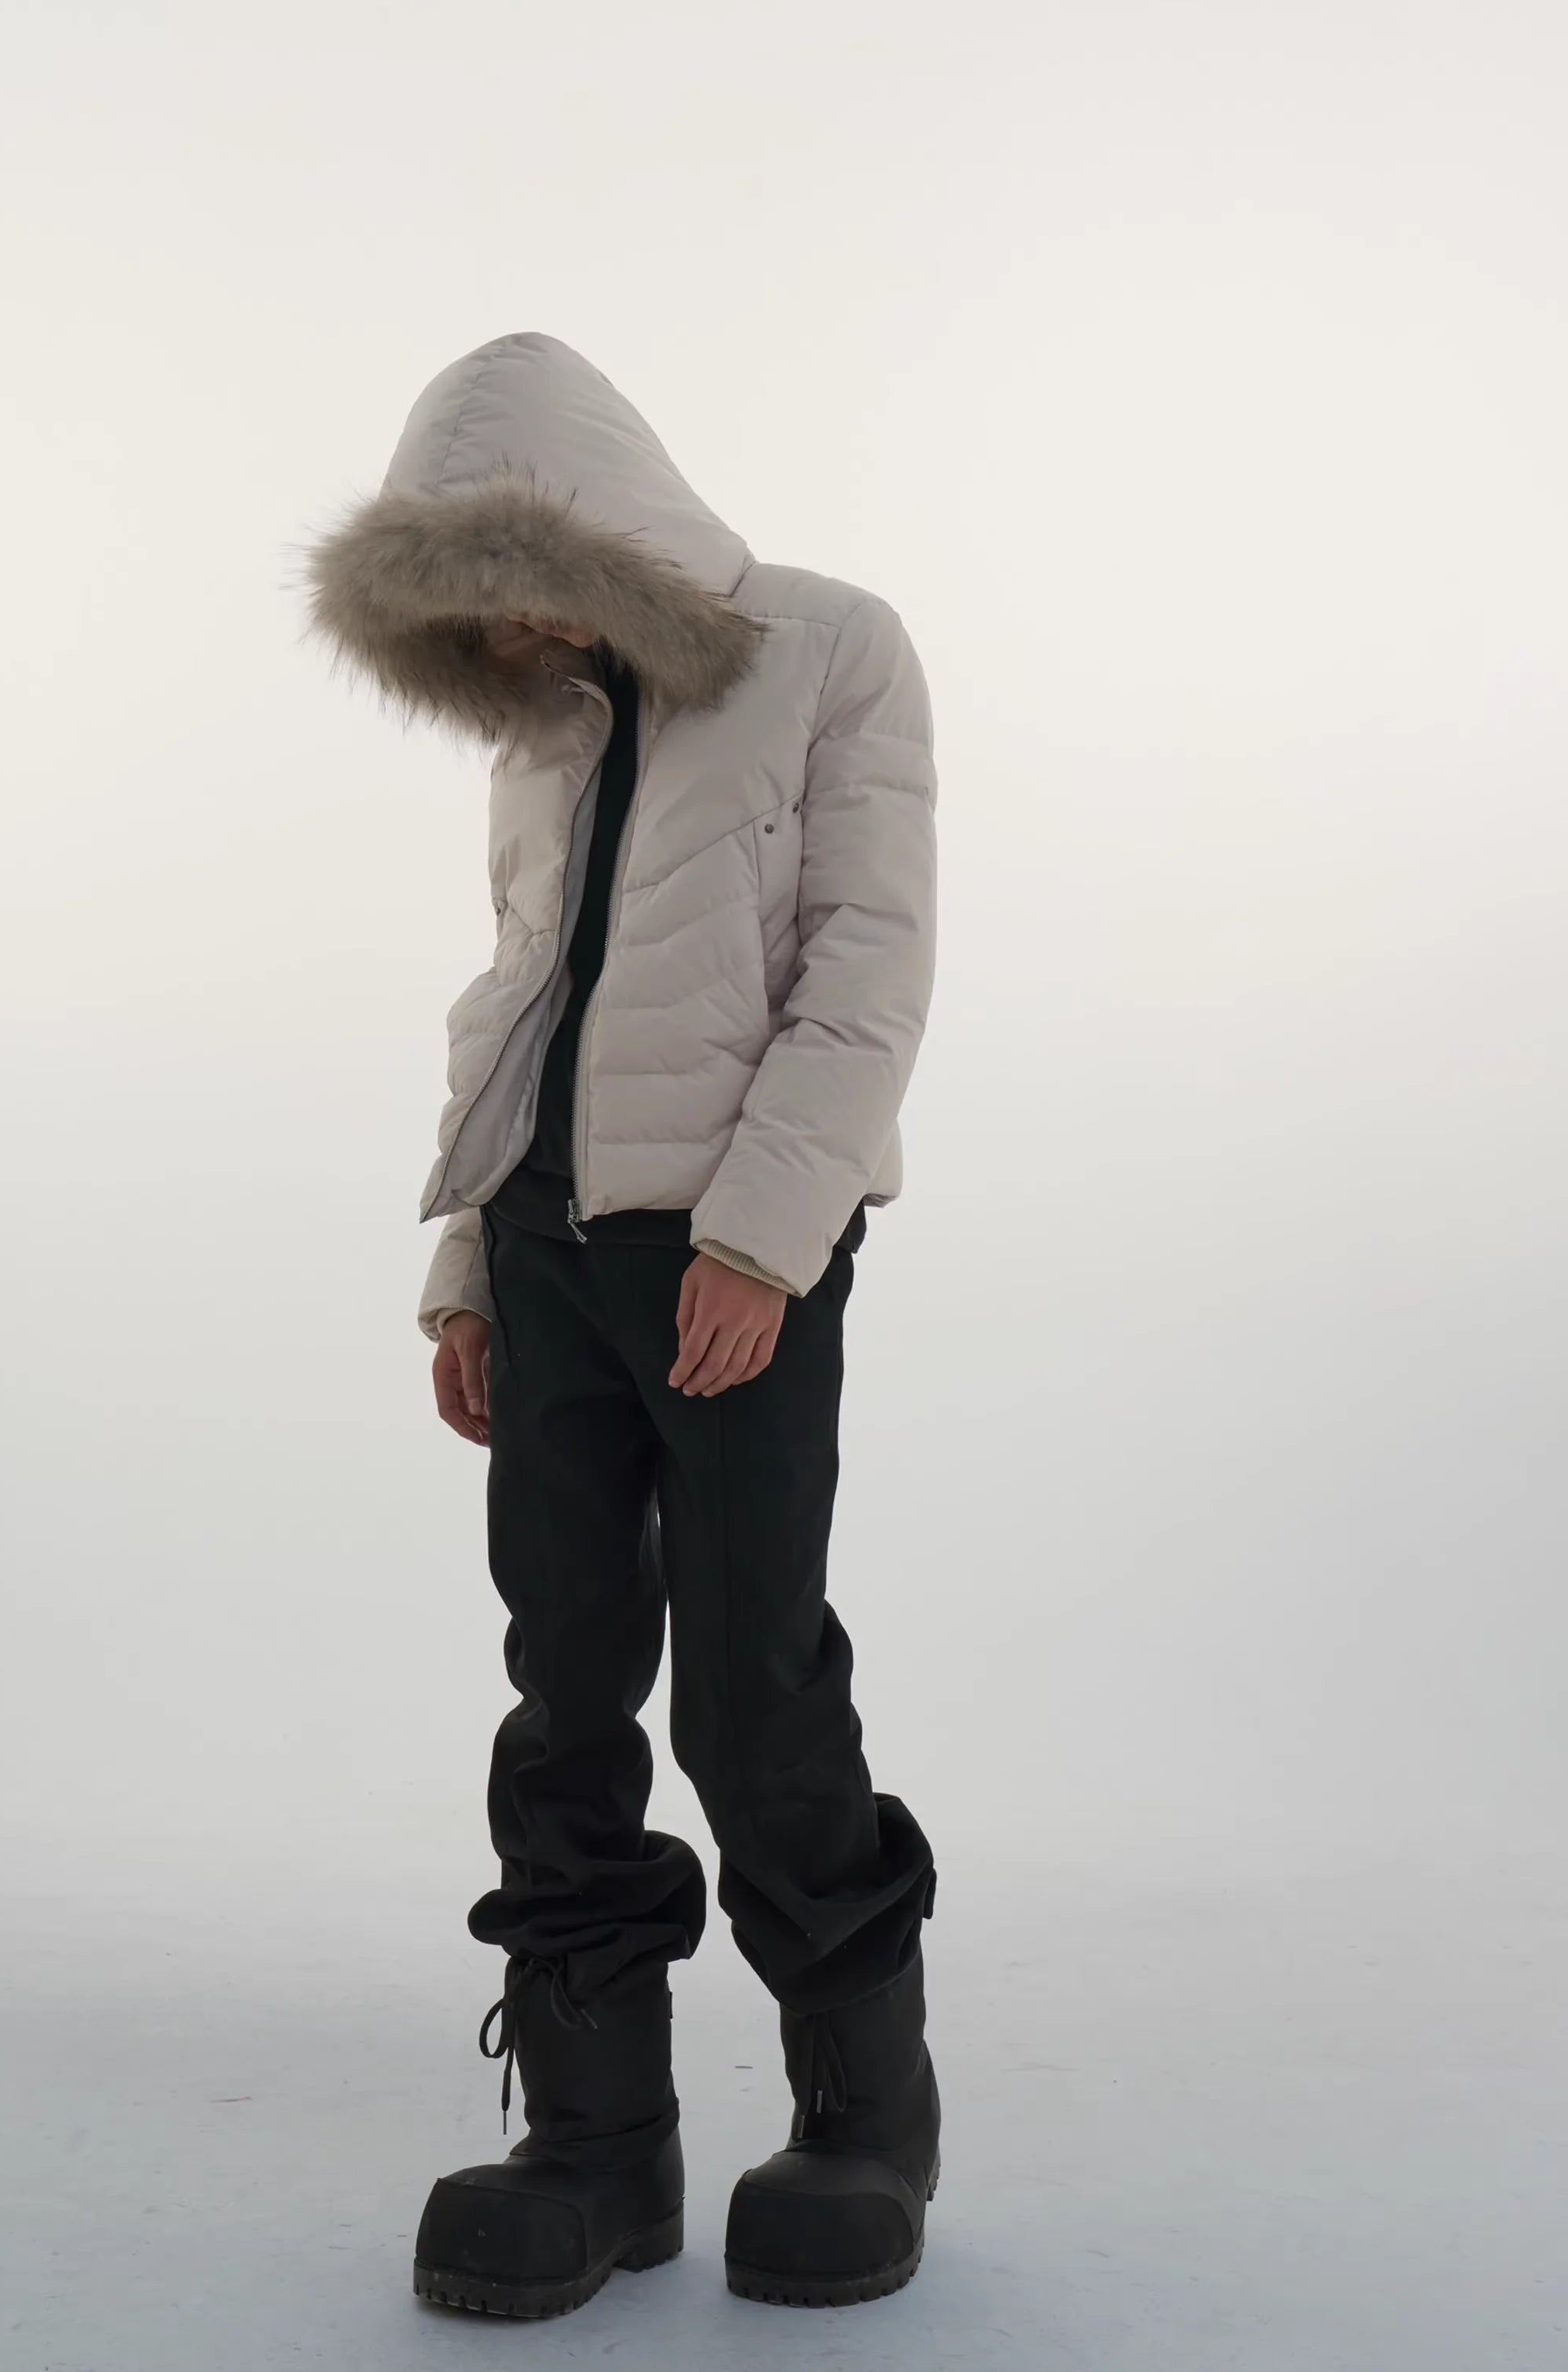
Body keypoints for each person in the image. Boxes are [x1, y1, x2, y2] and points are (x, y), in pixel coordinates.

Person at [305, 330, 940, 2318]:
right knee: (566, 1691)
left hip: (729, 1259)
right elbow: (519, 998)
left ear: (601, 517)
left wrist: (759, 1244)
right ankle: (598, 2142)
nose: (502, 625)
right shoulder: (544, 731)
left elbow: (866, 971)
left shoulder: (834, 650)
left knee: (752, 1689)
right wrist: (466, 1266)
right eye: (463, 597)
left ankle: (866, 2111)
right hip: (549, 1255)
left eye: (518, 569)